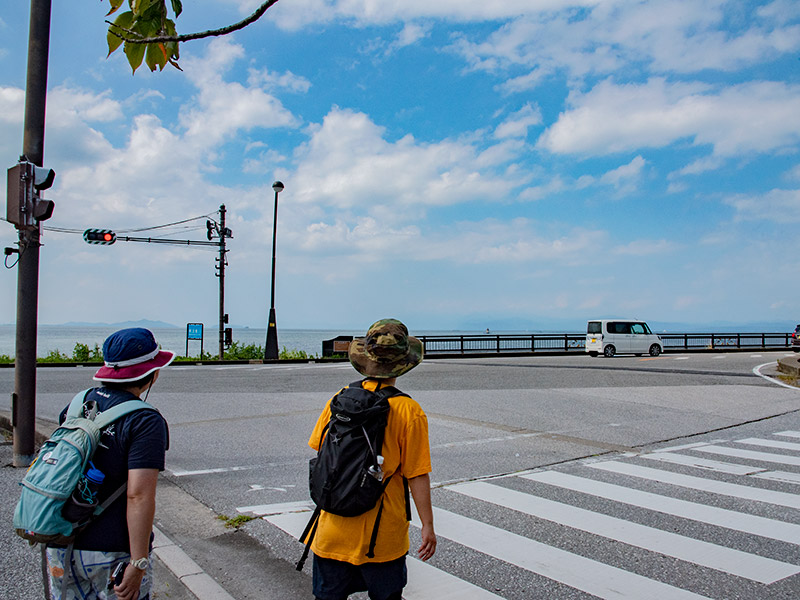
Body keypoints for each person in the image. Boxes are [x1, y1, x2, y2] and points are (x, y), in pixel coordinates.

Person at [306, 318, 437, 600]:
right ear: (403, 363)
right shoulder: (408, 411)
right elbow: (417, 474)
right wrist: (427, 525)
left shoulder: (340, 398)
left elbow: (321, 450)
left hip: (332, 528)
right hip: (381, 535)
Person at [46, 327, 174, 600]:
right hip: (112, 553)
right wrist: (139, 562)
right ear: (151, 374)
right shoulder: (145, 420)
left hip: (62, 541)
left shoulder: (78, 403)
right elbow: (138, 496)